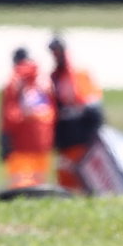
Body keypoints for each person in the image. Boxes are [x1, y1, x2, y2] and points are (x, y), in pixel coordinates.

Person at [47, 35, 105, 192]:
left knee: (85, 174)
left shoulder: (80, 74)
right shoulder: (53, 77)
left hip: (82, 135)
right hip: (65, 137)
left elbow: (93, 105)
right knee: (65, 173)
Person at [0, 48, 55, 189]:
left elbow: (10, 116)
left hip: (21, 145)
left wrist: (5, 136)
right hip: (43, 142)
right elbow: (52, 112)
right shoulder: (44, 81)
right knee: (40, 186)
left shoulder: (14, 82)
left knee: (20, 187)